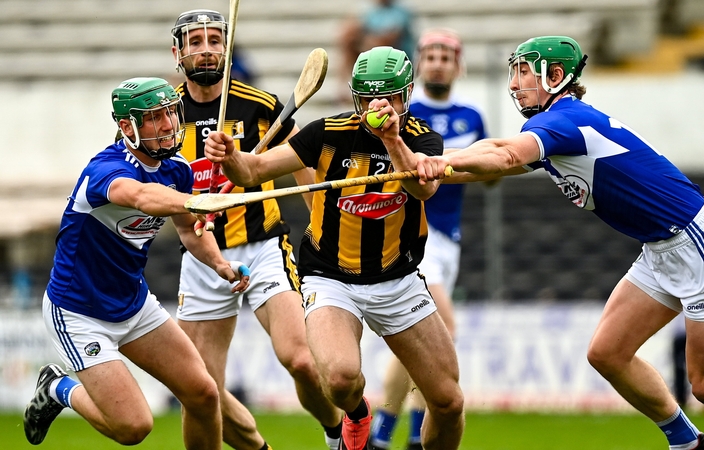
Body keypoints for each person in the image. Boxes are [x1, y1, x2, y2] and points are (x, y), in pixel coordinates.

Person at [416, 36, 704, 450]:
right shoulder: (550, 125)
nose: (514, 84)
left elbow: (504, 158)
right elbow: (493, 151)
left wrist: (439, 162)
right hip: (660, 248)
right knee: (607, 354)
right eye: (514, 72)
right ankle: (688, 443)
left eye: (524, 73)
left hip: (698, 241)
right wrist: (432, 165)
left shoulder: (564, 121)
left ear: (555, 77)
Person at [204, 46, 465, 450]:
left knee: (448, 402)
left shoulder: (422, 139)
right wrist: (230, 157)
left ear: (407, 95)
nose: (380, 107)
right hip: (331, 278)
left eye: (391, 98)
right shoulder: (325, 133)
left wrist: (392, 139)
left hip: (399, 281)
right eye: (369, 99)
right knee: (341, 379)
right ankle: (357, 417)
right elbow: (252, 171)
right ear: (355, 97)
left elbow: (422, 187)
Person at [22, 77, 250, 449]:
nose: (168, 125)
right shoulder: (105, 170)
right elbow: (141, 196)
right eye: (154, 117)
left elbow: (190, 231)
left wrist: (221, 265)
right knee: (133, 428)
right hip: (79, 312)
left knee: (204, 394)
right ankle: (58, 387)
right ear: (127, 127)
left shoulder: (177, 169)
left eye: (170, 114)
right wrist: (192, 202)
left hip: (134, 304)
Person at [170, 9, 342, 450]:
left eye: (214, 39)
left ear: (226, 49)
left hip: (264, 245)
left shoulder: (259, 104)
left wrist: (322, 224)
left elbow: (303, 160)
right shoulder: (166, 116)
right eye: (195, 41)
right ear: (178, 52)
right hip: (203, 256)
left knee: (302, 360)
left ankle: (339, 433)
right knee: (202, 392)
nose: (206, 48)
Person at [368, 29, 485, 450]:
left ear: (458, 64)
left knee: (414, 340)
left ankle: (383, 431)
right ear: (418, 66)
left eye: (445, 56)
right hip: (416, 235)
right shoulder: (401, 115)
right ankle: (418, 432)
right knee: (442, 330)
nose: (437, 62)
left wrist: (457, 168)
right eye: (430, 55)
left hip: (449, 239)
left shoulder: (472, 118)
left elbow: (486, 176)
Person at [338, 0, 415, 104]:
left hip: (397, 57)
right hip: (373, 48)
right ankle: (344, 85)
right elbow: (359, 29)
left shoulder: (401, 12)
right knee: (349, 39)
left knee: (378, 44)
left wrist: (367, 42)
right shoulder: (372, 12)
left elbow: (390, 38)